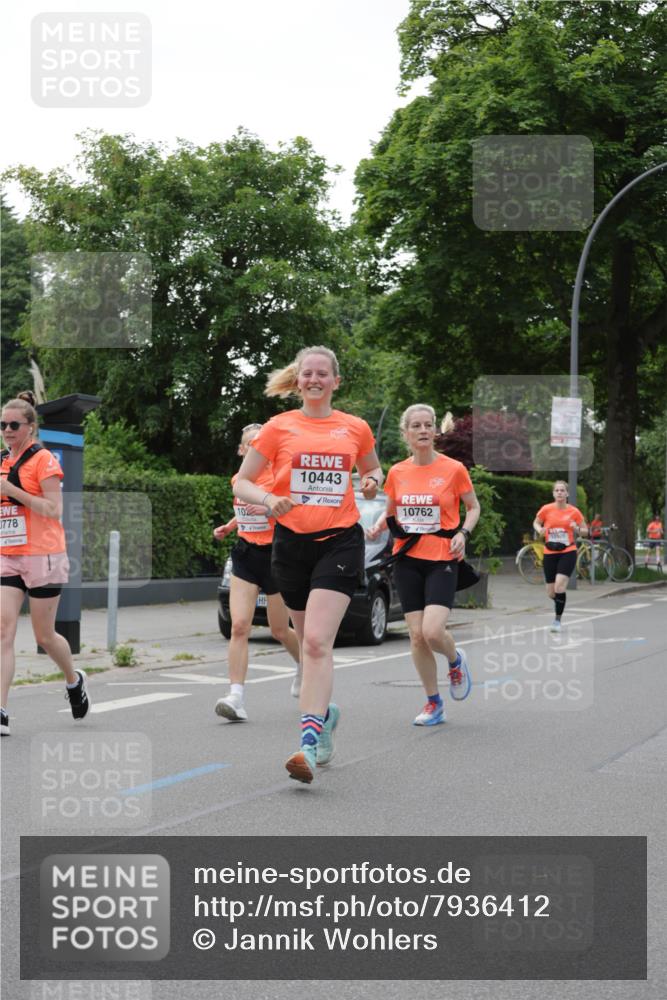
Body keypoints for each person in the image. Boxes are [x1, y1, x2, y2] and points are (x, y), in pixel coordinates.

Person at [234, 346, 382, 784]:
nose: (315, 379)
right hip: (291, 545)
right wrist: (267, 498)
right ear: (297, 382)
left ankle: (308, 745)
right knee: (306, 639)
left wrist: (372, 481)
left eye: (323, 374)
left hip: (340, 541)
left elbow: (374, 471)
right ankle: (326, 715)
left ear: (336, 381)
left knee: (316, 643)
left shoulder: (355, 428)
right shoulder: (279, 428)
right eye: (307, 374)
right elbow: (242, 481)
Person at [368, 405, 480, 726]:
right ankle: (434, 703)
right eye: (415, 426)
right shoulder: (398, 472)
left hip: (443, 557)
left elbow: (473, 507)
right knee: (416, 637)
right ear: (406, 433)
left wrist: (463, 532)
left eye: (428, 425)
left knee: (432, 631)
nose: (423, 430)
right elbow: (391, 509)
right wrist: (379, 525)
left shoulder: (454, 469)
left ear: (435, 431)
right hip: (407, 558)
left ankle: (456, 661)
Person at [1, 392, 89, 736]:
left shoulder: (44, 461)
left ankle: (73, 680)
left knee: (45, 635)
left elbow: (54, 510)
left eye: (13, 425)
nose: (7, 430)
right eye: (2, 425)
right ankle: (2, 710)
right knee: (3, 631)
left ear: (31, 427)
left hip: (43, 556)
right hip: (8, 555)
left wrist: (10, 489)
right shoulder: (1, 460)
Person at [212, 423, 301, 721]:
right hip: (246, 554)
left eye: (260, 446)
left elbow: (292, 509)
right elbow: (244, 508)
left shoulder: (278, 477)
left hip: (276, 556)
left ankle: (305, 666)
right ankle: (235, 696)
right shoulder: (239, 478)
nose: (255, 450)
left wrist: (269, 509)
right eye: (249, 445)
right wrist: (230, 525)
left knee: (278, 630)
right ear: (241, 449)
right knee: (239, 626)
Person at [533, 480, 587, 633]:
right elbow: (536, 523)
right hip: (550, 552)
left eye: (562, 490)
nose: (559, 493)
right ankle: (560, 600)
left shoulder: (574, 512)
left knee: (559, 585)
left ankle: (557, 620)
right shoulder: (546, 509)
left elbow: (585, 531)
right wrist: (540, 529)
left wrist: (576, 528)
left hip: (567, 551)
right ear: (553, 493)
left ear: (567, 493)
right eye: (557, 490)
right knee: (551, 592)